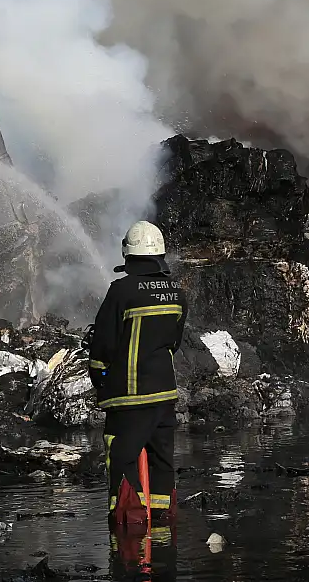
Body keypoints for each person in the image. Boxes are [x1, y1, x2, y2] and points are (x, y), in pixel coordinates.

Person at [88, 220, 187, 529]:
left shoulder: (122, 291)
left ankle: (129, 528)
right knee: (161, 459)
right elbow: (174, 342)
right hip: (165, 393)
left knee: (121, 454)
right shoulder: (176, 292)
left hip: (130, 396)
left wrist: (99, 375)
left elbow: (104, 343)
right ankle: (163, 527)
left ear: (128, 255)